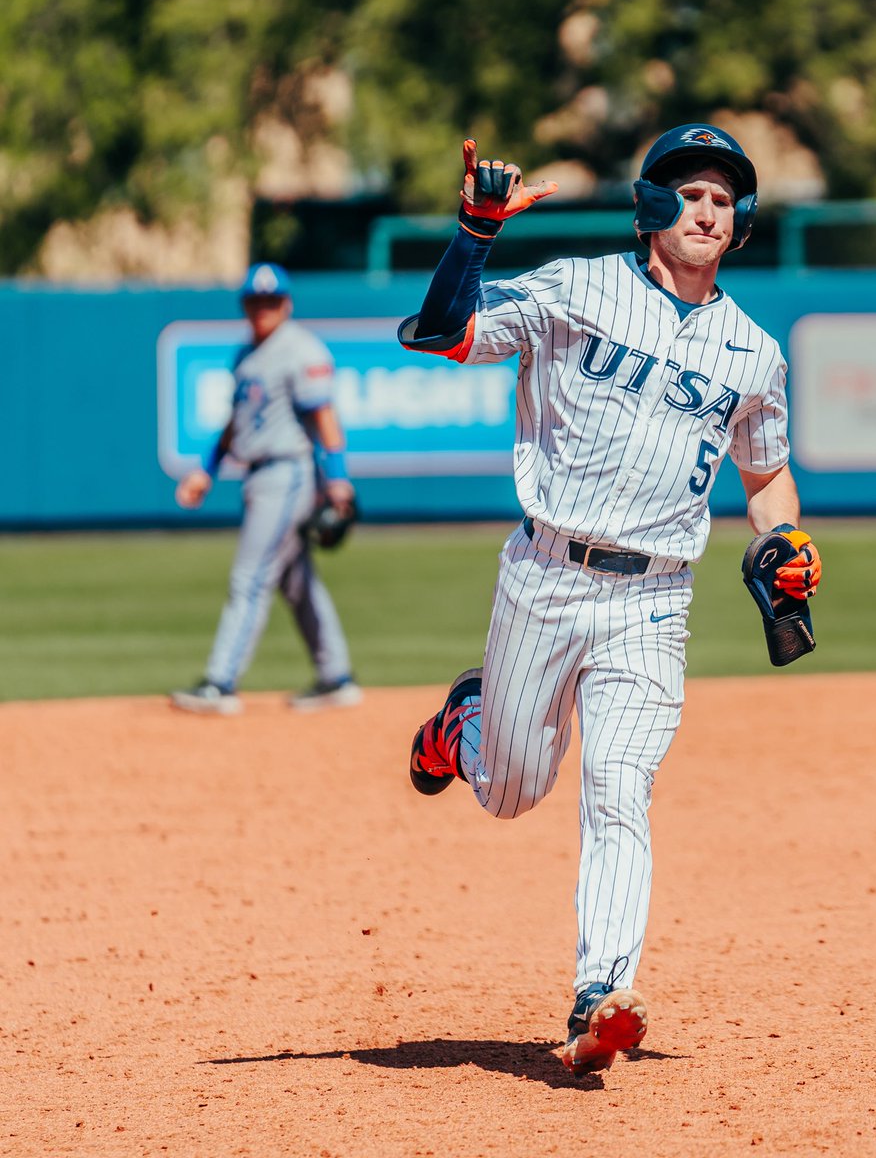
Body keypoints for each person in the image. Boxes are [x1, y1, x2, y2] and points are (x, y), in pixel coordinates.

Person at [398, 125, 822, 1074]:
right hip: (545, 575)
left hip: (656, 599)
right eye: (691, 193)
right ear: (652, 206)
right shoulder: (574, 288)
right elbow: (444, 334)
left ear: (742, 222)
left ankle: (601, 994)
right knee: (512, 791)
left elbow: (767, 477)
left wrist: (784, 541)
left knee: (618, 785)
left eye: (724, 199)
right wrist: (474, 233)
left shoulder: (755, 354)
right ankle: (465, 724)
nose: (707, 211)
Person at [170, 262, 362, 716]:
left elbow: (325, 418)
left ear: (287, 304)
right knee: (296, 582)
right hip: (258, 473)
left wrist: (338, 481)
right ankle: (336, 677)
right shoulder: (246, 354)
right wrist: (206, 469)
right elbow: (235, 423)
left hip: (288, 473)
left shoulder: (300, 349)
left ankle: (220, 683)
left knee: (250, 576)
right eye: (255, 301)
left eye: (271, 301)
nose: (263, 309)